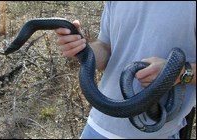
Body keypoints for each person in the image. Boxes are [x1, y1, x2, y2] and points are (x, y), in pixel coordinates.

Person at [55, 1, 196, 139]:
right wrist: (81, 49)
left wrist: (180, 72)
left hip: (160, 134)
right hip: (98, 126)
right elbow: (107, 50)